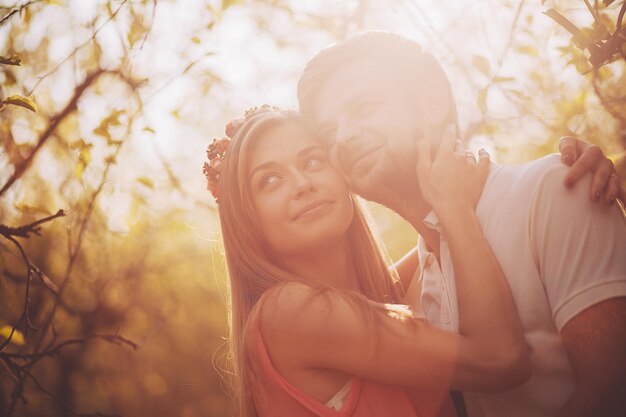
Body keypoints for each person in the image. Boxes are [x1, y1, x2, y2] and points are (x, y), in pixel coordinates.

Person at [206, 106, 617, 417]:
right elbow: (501, 360)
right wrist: (453, 205)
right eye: (270, 180)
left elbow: (433, 248)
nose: (303, 184)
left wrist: (568, 178)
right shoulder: (289, 313)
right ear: (247, 218)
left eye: (313, 160)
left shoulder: (378, 296)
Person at [297, 31, 626, 417]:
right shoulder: (409, 290)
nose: (345, 137)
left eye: (365, 108)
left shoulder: (555, 188)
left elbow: (613, 391)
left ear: (433, 103)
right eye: (329, 132)